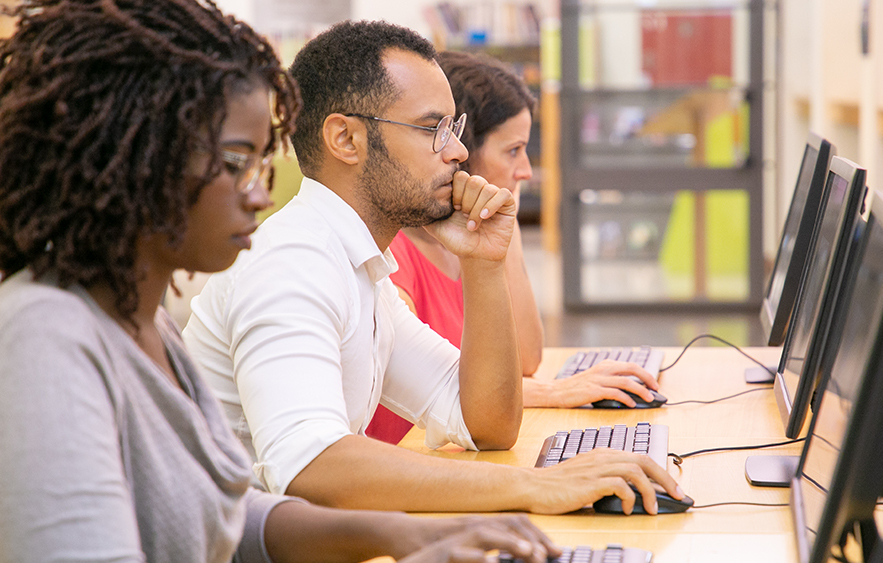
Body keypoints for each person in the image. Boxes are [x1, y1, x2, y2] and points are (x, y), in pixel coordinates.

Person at [0, 1, 558, 561]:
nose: (260, 194)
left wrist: (403, 535)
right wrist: (531, 487)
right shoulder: (48, 336)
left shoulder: (145, 324)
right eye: (236, 162)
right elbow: (310, 465)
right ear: (143, 160)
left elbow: (225, 516)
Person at [182, 19, 684, 515]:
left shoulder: (361, 269)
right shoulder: (294, 263)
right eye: (432, 129)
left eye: (454, 129)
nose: (459, 152)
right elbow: (310, 468)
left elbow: (486, 422)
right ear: (346, 140)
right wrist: (533, 485)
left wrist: (483, 265)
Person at [365, 51, 662, 445]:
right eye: (512, 151)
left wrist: (508, 230)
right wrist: (558, 391)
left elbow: (525, 359)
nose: (525, 170)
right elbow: (441, 400)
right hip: (415, 463)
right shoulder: (393, 258)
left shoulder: (460, 248)